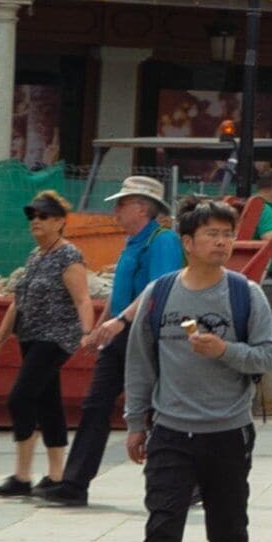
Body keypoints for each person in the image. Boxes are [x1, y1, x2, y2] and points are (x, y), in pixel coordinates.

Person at [112, 199, 272, 542]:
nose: (222, 242)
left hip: (228, 432)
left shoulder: (246, 294)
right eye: (211, 234)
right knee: (163, 523)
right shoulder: (160, 294)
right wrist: (135, 423)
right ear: (187, 242)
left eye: (227, 234)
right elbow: (141, 362)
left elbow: (269, 355)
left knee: (228, 529)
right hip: (170, 432)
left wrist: (224, 351)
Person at [40, 176, 178, 508]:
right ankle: (74, 484)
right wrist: (100, 328)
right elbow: (120, 294)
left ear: (141, 207)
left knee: (161, 411)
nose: (115, 210)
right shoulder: (131, 242)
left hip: (147, 335)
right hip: (120, 333)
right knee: (95, 405)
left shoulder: (163, 241)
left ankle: (181, 484)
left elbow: (157, 290)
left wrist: (119, 322)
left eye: (121, 203)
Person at [0, 191, 95, 497]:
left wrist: (87, 332)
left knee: (19, 398)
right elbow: (17, 302)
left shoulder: (69, 256)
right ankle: (56, 475)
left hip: (56, 338)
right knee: (48, 402)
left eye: (44, 216)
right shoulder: (35, 256)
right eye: (32, 216)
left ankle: (22, 476)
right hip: (31, 337)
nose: (36, 221)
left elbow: (83, 298)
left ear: (60, 222)